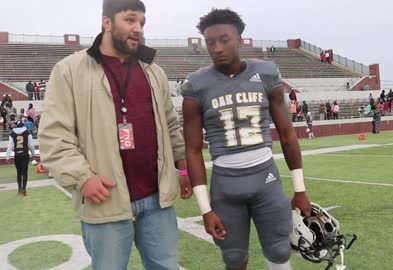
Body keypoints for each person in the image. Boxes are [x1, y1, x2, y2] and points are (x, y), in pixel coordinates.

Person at [38, 1, 191, 269]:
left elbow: (170, 124)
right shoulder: (69, 70)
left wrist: (183, 167)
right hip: (105, 199)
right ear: (106, 23)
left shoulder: (153, 71)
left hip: (157, 199)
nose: (138, 29)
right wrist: (82, 178)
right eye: (130, 20)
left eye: (142, 23)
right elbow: (54, 137)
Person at [182, 8, 311, 270]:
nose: (217, 48)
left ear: (240, 38)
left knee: (278, 251)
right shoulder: (196, 85)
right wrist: (205, 209)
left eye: (224, 39)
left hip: (266, 178)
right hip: (226, 184)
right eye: (210, 42)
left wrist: (300, 189)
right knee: (233, 257)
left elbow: (287, 134)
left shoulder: (265, 73)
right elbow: (193, 150)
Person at [6, 120, 36, 196]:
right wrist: (33, 154)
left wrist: (8, 156)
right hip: (25, 154)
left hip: (17, 155)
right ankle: (24, 189)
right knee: (24, 172)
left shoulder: (12, 134)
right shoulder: (27, 133)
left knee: (19, 173)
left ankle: (19, 188)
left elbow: (10, 146)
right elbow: (31, 145)